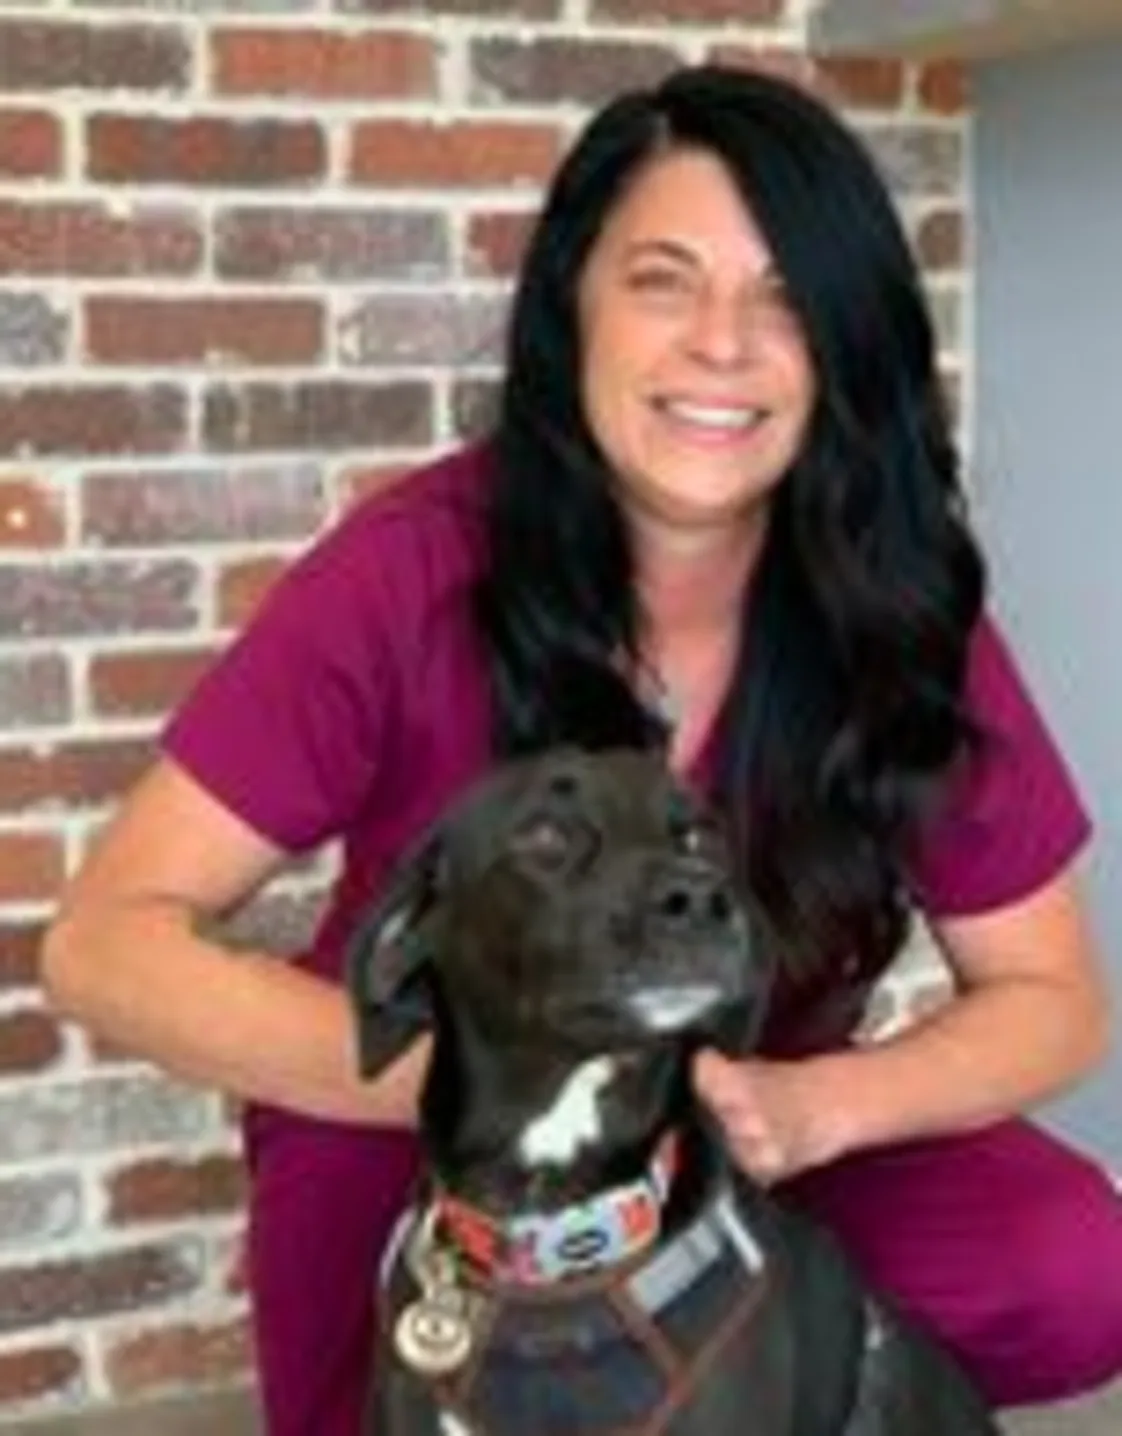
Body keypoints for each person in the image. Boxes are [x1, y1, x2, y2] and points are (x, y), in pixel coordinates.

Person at [42, 63, 1122, 1435]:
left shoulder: (891, 603)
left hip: (735, 1138)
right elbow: (105, 943)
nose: (721, 344)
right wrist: (475, 1079)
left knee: (1069, 1266)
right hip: (423, 1138)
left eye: (784, 296)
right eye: (662, 280)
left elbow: (1051, 998)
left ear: (843, 346)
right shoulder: (408, 573)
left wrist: (814, 1107)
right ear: (572, 308)